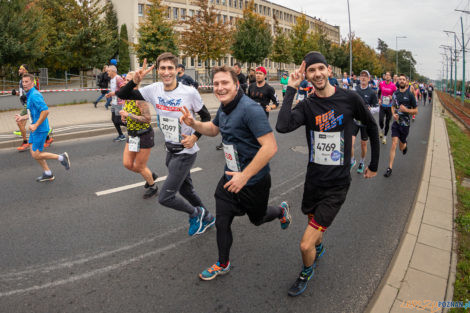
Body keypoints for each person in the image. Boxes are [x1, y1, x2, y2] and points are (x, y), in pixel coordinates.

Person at [276, 51, 379, 297]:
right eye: (311, 70)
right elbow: (282, 125)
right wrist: (291, 87)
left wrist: (373, 164)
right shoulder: (308, 105)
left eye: (320, 68)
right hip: (314, 180)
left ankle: (306, 271)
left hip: (337, 184)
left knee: (305, 243)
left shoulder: (349, 99)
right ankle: (318, 248)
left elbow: (372, 127)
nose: (317, 74)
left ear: (329, 71)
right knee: (313, 222)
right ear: (307, 76)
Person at [179, 65, 291, 281]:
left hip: (254, 180)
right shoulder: (224, 107)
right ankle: (223, 264)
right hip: (230, 176)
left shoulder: (251, 110)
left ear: (236, 84)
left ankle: (280, 211)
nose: (220, 88)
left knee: (257, 219)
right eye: (216, 84)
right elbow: (214, 129)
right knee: (222, 221)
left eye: (225, 83)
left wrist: (245, 176)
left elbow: (270, 147)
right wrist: (194, 124)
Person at [117, 53, 215, 236]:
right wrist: (134, 81)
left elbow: (207, 117)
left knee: (165, 197)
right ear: (159, 71)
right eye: (162, 68)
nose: (166, 72)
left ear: (177, 70)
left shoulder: (189, 92)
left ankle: (196, 213)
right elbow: (121, 94)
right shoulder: (154, 90)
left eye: (170, 68)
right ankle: (208, 217)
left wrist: (195, 137)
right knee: (187, 190)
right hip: (170, 150)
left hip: (186, 151)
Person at [15, 74, 71, 181]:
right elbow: (33, 113)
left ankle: (61, 157)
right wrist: (22, 118)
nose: (24, 84)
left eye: (27, 81)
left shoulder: (35, 95)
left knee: (36, 154)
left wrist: (36, 125)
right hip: (35, 128)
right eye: (23, 82)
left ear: (32, 82)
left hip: (39, 129)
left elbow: (45, 111)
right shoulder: (29, 94)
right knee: (35, 152)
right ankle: (48, 173)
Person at [118, 71, 158, 199]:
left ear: (135, 81)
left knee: (140, 166)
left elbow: (147, 119)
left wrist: (128, 115)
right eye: (125, 79)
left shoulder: (139, 98)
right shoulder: (127, 97)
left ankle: (153, 186)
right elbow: (128, 114)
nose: (124, 81)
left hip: (144, 135)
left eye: (128, 80)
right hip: (132, 135)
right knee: (127, 164)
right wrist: (125, 118)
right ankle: (150, 174)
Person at [384, 74, 418, 177]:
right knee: (394, 144)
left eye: (404, 79)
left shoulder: (410, 95)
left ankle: (404, 145)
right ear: (398, 81)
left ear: (406, 82)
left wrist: (406, 110)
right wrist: (394, 114)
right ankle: (389, 168)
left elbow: (416, 111)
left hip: (405, 125)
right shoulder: (395, 94)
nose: (402, 81)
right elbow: (393, 106)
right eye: (400, 79)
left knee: (401, 147)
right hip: (396, 123)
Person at [13, 65, 53, 151]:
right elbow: (22, 92)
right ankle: (47, 138)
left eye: (21, 69)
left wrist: (26, 97)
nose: (19, 70)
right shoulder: (22, 80)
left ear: (25, 70)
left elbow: (33, 90)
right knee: (32, 118)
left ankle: (25, 142)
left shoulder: (29, 79)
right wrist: (16, 93)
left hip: (28, 103)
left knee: (21, 123)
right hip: (26, 103)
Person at [216, 62, 248, 150]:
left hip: (239, 100)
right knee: (225, 124)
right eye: (233, 67)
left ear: (239, 69)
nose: (234, 69)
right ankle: (224, 142)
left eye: (236, 67)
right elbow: (213, 128)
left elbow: (245, 85)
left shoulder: (242, 76)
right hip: (230, 100)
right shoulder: (232, 76)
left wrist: (235, 86)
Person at [352, 70, 379, 173]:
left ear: (368, 79)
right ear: (359, 78)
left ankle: (362, 161)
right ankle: (352, 160)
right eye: (361, 76)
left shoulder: (372, 92)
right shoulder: (355, 89)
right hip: (355, 120)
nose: (363, 78)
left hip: (365, 122)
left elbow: (377, 108)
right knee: (350, 142)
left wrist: (370, 110)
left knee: (363, 144)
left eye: (365, 76)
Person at [105, 65, 127, 141]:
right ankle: (121, 135)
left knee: (118, 120)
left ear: (113, 71)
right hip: (114, 102)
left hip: (119, 102)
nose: (107, 72)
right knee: (113, 119)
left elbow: (123, 90)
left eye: (108, 71)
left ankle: (133, 127)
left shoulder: (118, 78)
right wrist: (109, 95)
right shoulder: (111, 79)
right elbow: (114, 91)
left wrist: (113, 93)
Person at [378, 72, 397, 144]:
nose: (387, 76)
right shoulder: (381, 83)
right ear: (385, 76)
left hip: (389, 107)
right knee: (380, 120)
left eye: (389, 75)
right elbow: (379, 92)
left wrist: (392, 97)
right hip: (382, 105)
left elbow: (396, 95)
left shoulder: (393, 86)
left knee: (387, 122)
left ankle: (385, 137)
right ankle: (381, 129)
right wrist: (379, 99)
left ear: (391, 77)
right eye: (386, 75)